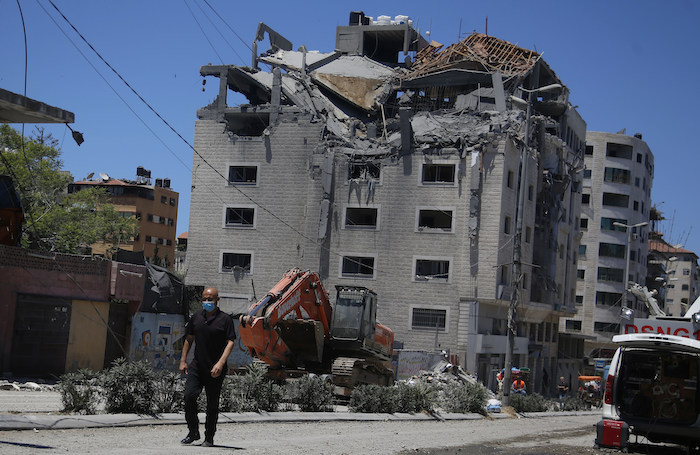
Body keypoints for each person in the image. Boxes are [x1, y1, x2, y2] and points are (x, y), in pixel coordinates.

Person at [179, 287, 236, 447]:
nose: (207, 302)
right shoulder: (196, 317)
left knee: (212, 404)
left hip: (215, 369)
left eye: (210, 299)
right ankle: (193, 432)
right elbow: (189, 339)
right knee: (189, 396)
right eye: (204, 298)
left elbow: (230, 342)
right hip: (197, 366)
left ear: (217, 300)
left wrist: (220, 363)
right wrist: (183, 360)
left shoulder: (225, 320)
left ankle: (209, 437)